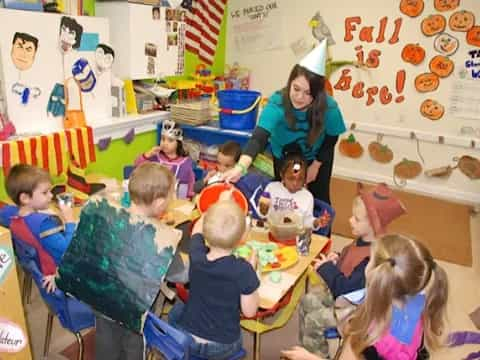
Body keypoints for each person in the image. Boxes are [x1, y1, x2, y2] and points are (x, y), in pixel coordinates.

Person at [283, 234, 449, 360]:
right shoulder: (420, 301)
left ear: (376, 275)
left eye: (369, 261)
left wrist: (308, 357)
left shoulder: (364, 332)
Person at [222, 39, 346, 205]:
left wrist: (315, 166)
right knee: (282, 197)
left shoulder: (329, 108)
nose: (300, 97)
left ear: (318, 93)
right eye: (296, 89)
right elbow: (258, 138)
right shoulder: (277, 103)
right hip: (284, 155)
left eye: (308, 93)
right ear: (290, 83)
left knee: (318, 201)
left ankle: (318, 231)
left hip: (318, 155)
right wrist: (240, 167)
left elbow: (331, 139)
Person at [299, 183, 406, 357]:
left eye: (356, 219)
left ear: (373, 224)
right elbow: (351, 257)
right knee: (307, 300)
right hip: (345, 298)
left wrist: (326, 268)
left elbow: (346, 289)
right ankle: (310, 347)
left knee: (313, 320)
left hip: (356, 312)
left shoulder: (374, 260)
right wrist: (338, 257)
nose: (350, 220)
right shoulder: (365, 239)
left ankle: (316, 355)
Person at [95, 162, 176, 360]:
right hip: (133, 312)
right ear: (158, 203)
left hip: (102, 303)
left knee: (106, 345)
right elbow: (179, 275)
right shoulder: (161, 237)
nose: (171, 200)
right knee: (133, 348)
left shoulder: (107, 217)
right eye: (170, 196)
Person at [168, 200, 260, 359]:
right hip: (222, 346)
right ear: (240, 240)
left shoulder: (196, 253)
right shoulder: (243, 271)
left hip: (186, 339)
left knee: (178, 309)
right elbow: (250, 312)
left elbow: (196, 230)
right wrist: (252, 270)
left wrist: (209, 212)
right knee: (236, 335)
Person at [0, 164, 76, 293]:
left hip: (39, 270)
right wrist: (69, 221)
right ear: (25, 198)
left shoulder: (10, 215)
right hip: (60, 275)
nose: (51, 196)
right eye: (45, 192)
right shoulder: (44, 225)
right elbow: (68, 251)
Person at [258, 152, 331, 230]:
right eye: (291, 178)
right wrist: (263, 210)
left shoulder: (307, 197)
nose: (295, 183)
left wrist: (317, 222)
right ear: (282, 175)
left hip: (294, 235)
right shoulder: (271, 188)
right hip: (272, 231)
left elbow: (307, 222)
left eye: (300, 179)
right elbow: (261, 215)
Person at [135, 119, 195, 199]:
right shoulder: (155, 157)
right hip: (154, 198)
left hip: (175, 200)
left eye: (170, 140)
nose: (165, 143)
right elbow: (137, 165)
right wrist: (148, 154)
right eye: (163, 139)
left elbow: (190, 182)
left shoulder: (185, 163)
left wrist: (189, 196)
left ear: (178, 143)